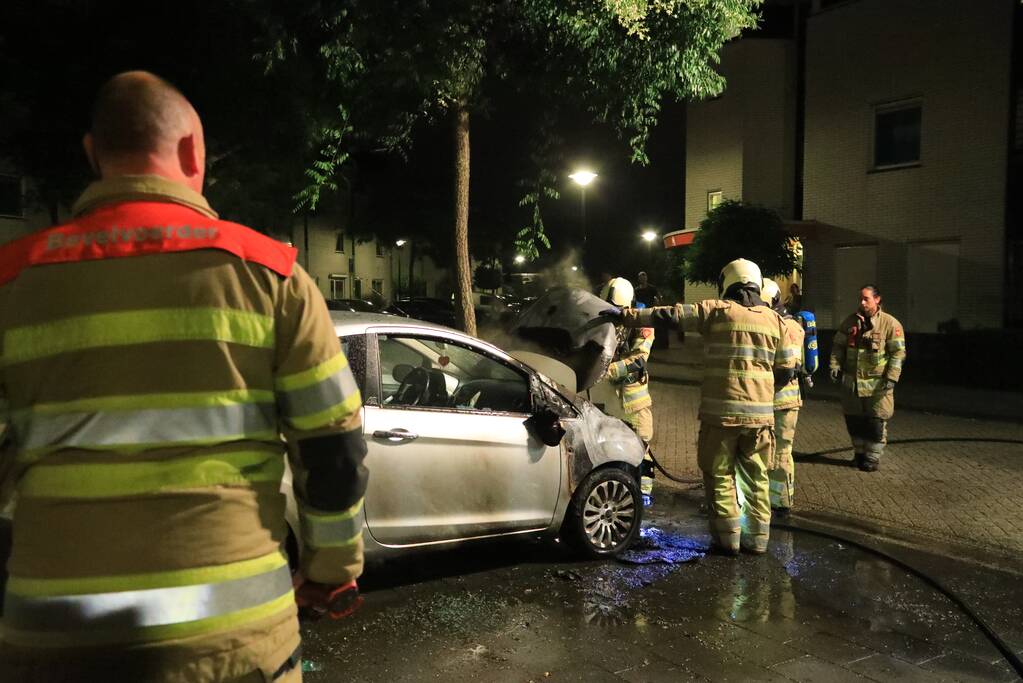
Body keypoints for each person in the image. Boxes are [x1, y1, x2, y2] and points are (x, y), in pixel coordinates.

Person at [0, 71, 367, 681]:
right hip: (235, 641)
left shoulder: (12, 283)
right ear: (194, 152)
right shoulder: (273, 279)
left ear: (92, 154)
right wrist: (333, 573)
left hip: (52, 635)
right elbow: (332, 446)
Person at [604, 259, 798, 555]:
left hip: (720, 416)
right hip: (760, 420)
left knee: (720, 476)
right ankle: (757, 542)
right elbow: (786, 371)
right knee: (757, 478)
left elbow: (669, 316)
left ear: (727, 283)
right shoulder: (778, 322)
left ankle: (728, 541)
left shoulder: (715, 311)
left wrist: (624, 315)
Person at [829, 285, 906, 472]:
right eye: (861, 299)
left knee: (875, 423)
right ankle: (859, 454)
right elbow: (838, 347)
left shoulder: (890, 324)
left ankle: (872, 457)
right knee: (854, 421)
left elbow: (898, 353)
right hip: (852, 386)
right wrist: (834, 366)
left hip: (877, 387)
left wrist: (892, 377)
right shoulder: (850, 322)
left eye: (866, 299)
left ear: (877, 299)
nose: (862, 302)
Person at [599, 277, 657, 500]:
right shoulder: (603, 322)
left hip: (634, 403)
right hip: (607, 401)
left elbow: (639, 359)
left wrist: (608, 371)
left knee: (641, 447)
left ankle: (644, 495)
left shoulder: (643, 323)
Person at [761, 279, 804, 518]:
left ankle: (782, 502)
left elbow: (788, 368)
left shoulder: (791, 326)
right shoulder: (771, 322)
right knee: (767, 451)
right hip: (768, 400)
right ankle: (767, 499)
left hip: (785, 401)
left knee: (781, 452)